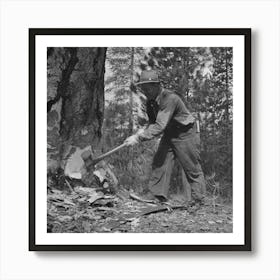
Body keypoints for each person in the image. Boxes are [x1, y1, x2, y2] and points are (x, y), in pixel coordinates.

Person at [125, 70, 206, 205]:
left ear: (157, 85)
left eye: (149, 87)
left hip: (185, 133)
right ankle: (157, 195)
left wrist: (138, 139)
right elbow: (152, 123)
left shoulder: (169, 98)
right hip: (169, 134)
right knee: (159, 161)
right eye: (143, 87)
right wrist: (138, 133)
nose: (146, 90)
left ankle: (199, 200)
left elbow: (160, 125)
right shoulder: (150, 102)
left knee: (191, 167)